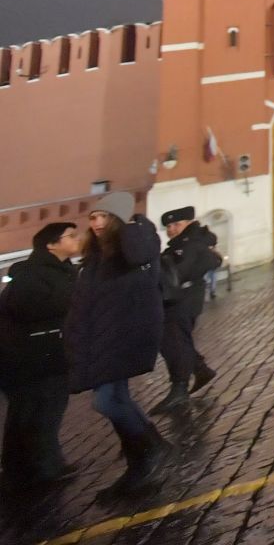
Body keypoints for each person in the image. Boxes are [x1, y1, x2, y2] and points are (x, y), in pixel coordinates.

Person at [64, 192, 170, 501]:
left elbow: (139, 253)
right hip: (104, 338)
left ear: (117, 220)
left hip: (124, 336)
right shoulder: (98, 257)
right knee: (116, 397)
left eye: (103, 216)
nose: (95, 222)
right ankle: (144, 458)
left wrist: (130, 225)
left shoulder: (134, 245)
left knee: (106, 402)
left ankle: (150, 450)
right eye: (92, 217)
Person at [0, 221, 83, 492]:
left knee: (30, 411)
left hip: (46, 351)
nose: (76, 239)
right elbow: (28, 306)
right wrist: (74, 300)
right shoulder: (33, 272)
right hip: (35, 355)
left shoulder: (61, 270)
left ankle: (24, 467)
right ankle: (44, 468)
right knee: (43, 410)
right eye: (70, 236)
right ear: (51, 244)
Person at [153, 207, 220, 412]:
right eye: (169, 226)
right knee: (177, 339)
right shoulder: (186, 243)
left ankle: (179, 389)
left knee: (174, 342)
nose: (172, 229)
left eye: (177, 224)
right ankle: (200, 370)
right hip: (182, 298)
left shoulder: (190, 243)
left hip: (182, 299)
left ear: (189, 223)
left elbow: (182, 271)